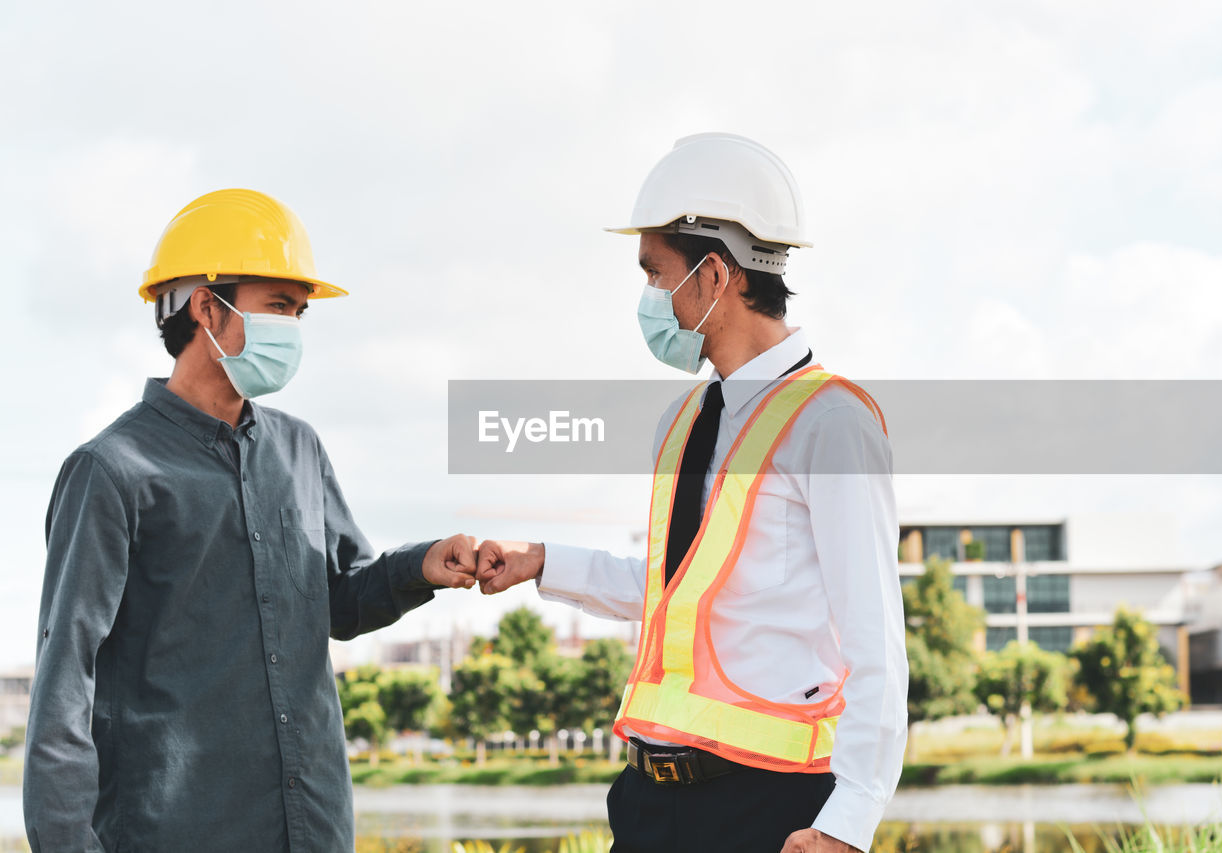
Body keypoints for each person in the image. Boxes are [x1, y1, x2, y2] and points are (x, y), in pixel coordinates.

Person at [475, 134, 908, 853]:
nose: (648, 296)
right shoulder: (683, 422)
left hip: (768, 805)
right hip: (650, 803)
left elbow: (877, 642)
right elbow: (673, 591)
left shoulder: (831, 424)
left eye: (655, 272)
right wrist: (541, 561)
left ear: (713, 277)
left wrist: (849, 821)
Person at [23, 189, 478, 852]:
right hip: (173, 833)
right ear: (208, 308)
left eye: (298, 312)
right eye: (280, 307)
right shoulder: (113, 470)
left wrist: (420, 565)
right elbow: (65, 680)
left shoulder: (300, 450)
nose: (294, 329)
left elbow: (337, 599)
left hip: (311, 828)